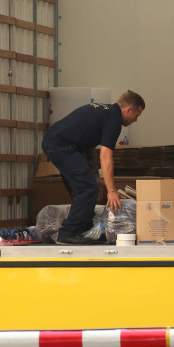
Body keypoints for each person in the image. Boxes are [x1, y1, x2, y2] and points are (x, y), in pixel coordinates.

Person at [41, 90, 145, 245]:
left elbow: (89, 148)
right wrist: (111, 191)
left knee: (88, 186)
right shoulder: (114, 119)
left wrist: (98, 179)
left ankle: (83, 229)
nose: (136, 120)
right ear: (129, 110)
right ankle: (69, 233)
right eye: (137, 115)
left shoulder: (106, 112)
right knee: (87, 188)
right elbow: (105, 156)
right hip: (61, 145)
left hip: (66, 143)